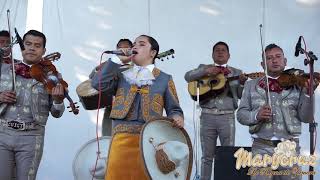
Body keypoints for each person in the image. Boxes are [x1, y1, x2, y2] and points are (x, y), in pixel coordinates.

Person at [91, 34, 184, 179]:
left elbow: (174, 109)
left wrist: (177, 116)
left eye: (141, 44)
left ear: (153, 53)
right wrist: (115, 60)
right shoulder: (120, 74)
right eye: (134, 44)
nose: (134, 47)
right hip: (120, 139)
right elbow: (97, 84)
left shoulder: (164, 78)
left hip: (150, 141)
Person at [237, 43, 316, 180]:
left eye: (278, 57)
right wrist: (256, 115)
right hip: (261, 148)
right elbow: (241, 114)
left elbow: (307, 118)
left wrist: (309, 94)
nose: (274, 60)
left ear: (285, 61)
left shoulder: (298, 84)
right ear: (263, 64)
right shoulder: (251, 85)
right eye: (269, 58)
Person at [0, 30, 65, 180]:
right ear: (22, 47)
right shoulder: (3, 68)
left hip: (31, 136)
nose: (31, 48)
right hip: (2, 133)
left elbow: (56, 112)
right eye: (28, 44)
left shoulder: (52, 76)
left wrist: (58, 100)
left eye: (37, 45)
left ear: (43, 50)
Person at [184, 41, 247, 180]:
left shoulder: (237, 72)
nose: (220, 52)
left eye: (223, 50)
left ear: (228, 55)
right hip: (207, 116)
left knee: (228, 154)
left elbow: (241, 95)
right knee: (207, 156)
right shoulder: (203, 68)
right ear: (212, 54)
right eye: (217, 50)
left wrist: (242, 84)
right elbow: (187, 76)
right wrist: (205, 71)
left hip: (227, 116)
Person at [89, 38, 133, 136]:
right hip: (111, 110)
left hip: (130, 113)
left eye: (126, 49)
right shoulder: (111, 65)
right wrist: (98, 68)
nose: (123, 52)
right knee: (108, 140)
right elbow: (92, 79)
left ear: (132, 49)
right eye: (120, 49)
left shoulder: (137, 66)